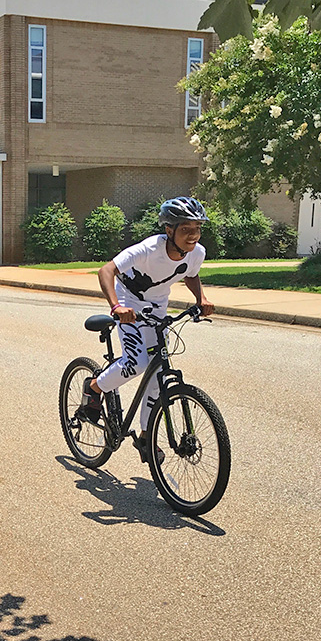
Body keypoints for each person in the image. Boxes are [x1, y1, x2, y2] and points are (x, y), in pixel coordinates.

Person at [79, 196, 215, 461]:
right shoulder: (149, 248)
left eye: (197, 229)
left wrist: (201, 298)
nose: (193, 235)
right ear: (169, 230)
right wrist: (117, 307)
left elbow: (189, 273)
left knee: (159, 370)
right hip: (128, 301)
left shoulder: (197, 252)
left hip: (157, 307)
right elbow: (106, 271)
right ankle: (95, 387)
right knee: (138, 362)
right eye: (186, 229)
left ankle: (145, 436)